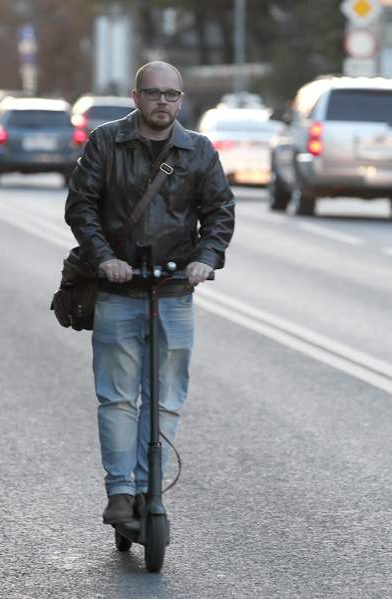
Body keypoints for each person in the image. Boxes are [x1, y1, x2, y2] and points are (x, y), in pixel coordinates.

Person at [65, 61, 236, 524]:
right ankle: (120, 491)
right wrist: (104, 258)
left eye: (172, 95)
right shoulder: (106, 141)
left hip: (175, 290)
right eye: (154, 93)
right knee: (118, 397)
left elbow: (220, 212)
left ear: (182, 101)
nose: (163, 102)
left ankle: (146, 484)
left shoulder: (198, 151)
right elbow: (81, 207)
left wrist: (206, 257)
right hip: (118, 291)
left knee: (165, 399)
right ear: (135, 95)